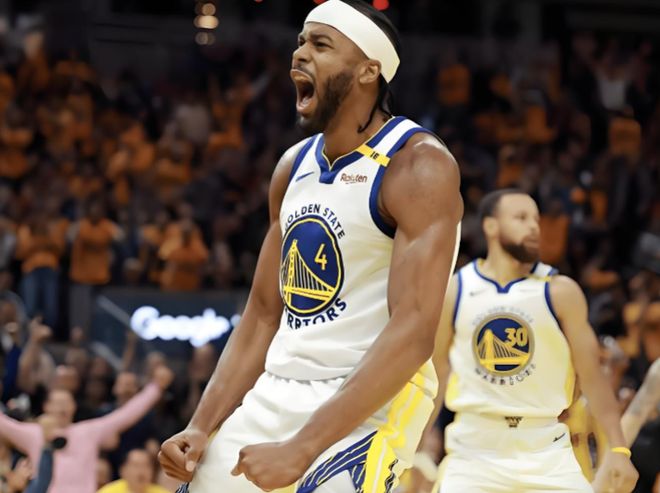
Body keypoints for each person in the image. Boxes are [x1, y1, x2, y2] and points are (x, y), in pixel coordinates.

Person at [158, 1, 463, 492]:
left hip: (371, 399)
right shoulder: (292, 166)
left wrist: (303, 447)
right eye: (301, 41)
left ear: (369, 70)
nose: (299, 54)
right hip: (278, 388)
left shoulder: (417, 165)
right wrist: (200, 425)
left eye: (321, 44)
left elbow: (413, 331)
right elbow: (262, 314)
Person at [428, 189, 638, 492]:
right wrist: (416, 443)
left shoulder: (561, 291)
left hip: (546, 449)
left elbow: (593, 377)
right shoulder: (455, 289)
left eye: (535, 219)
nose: (534, 227)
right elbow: (436, 373)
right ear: (490, 226)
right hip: (474, 451)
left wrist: (619, 449)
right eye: (521, 218)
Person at [0, 365, 174, 493]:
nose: (63, 408)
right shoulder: (33, 433)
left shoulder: (88, 431)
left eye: (67, 403)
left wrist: (155, 388)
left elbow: (125, 415)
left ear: (74, 407)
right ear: (46, 406)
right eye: (58, 403)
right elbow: (4, 424)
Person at [97, 449, 170, 493]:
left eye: (146, 465)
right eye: (136, 465)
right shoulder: (107, 491)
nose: (141, 470)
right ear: (123, 470)